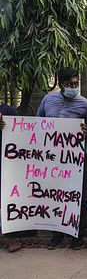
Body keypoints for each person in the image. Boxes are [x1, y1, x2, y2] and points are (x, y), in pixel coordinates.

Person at [36, 67, 87, 250]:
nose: (73, 87)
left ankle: (78, 235)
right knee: (54, 196)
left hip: (75, 160)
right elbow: (37, 124)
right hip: (52, 159)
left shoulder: (85, 104)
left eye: (76, 84)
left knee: (78, 197)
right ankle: (57, 235)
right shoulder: (47, 100)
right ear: (60, 84)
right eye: (69, 84)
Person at [0, 101, 21, 252]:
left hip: (7, 161)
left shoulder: (10, 111)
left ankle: (13, 236)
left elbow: (20, 134)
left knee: (10, 197)